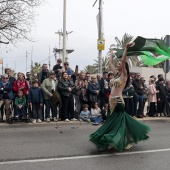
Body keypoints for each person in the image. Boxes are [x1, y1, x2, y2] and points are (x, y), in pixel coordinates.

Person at [90, 43, 150, 152]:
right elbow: (109, 64)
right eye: (117, 63)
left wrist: (126, 49)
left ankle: (114, 141)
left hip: (118, 101)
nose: (118, 64)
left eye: (119, 64)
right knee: (112, 121)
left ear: (123, 66)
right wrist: (111, 55)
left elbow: (123, 61)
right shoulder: (116, 74)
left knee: (116, 122)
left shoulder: (124, 75)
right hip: (111, 101)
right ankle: (118, 140)